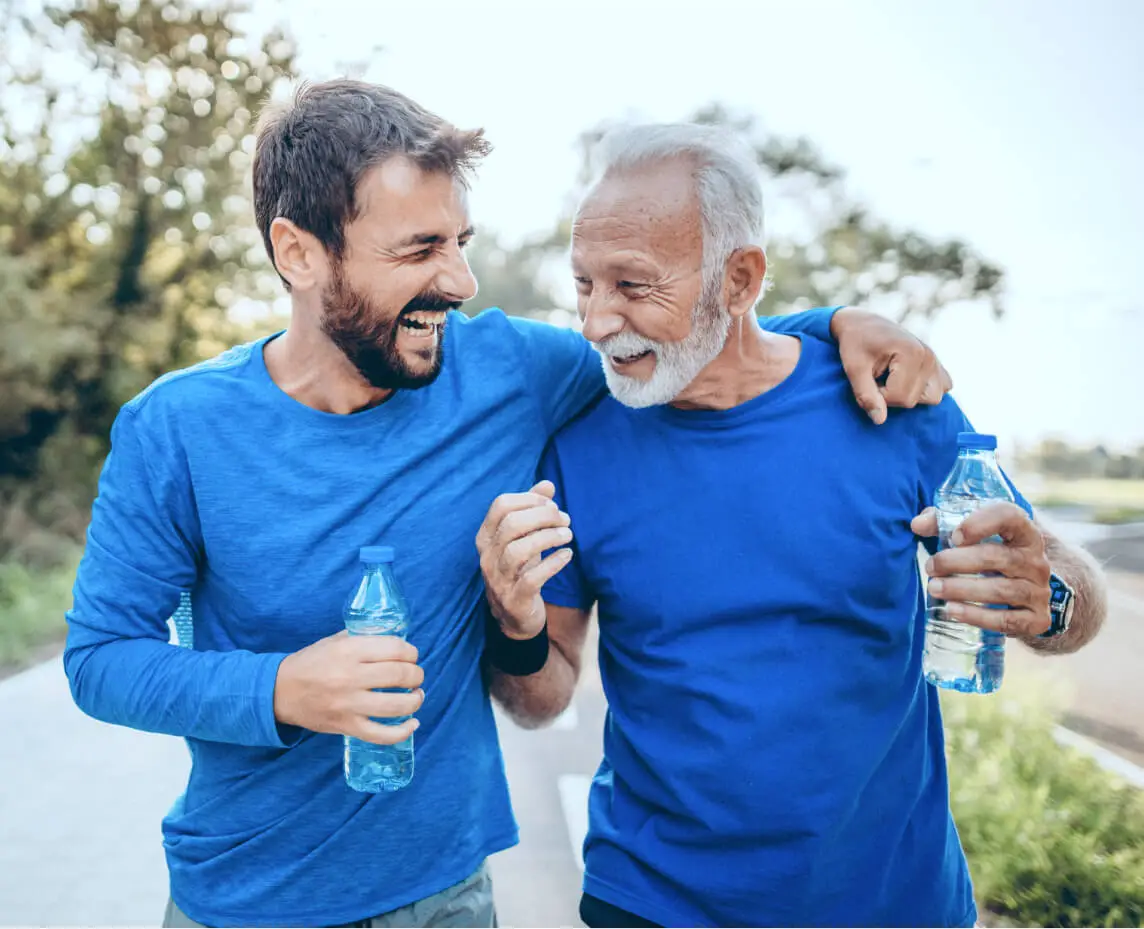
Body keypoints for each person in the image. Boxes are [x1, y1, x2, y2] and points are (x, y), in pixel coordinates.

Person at [64, 81, 955, 928]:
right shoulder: (176, 428)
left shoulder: (511, 374)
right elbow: (101, 658)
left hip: (446, 893)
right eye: (419, 250)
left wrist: (836, 323)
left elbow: (693, 341)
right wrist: (282, 687)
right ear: (299, 252)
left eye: (460, 241)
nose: (460, 281)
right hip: (244, 896)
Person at [476, 123, 1108, 929]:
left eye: (633, 286)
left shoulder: (891, 403)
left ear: (739, 280)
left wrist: (1048, 598)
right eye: (584, 285)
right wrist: (516, 624)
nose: (598, 321)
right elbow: (540, 697)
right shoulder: (579, 444)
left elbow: (1071, 597)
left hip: (894, 904)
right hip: (653, 904)